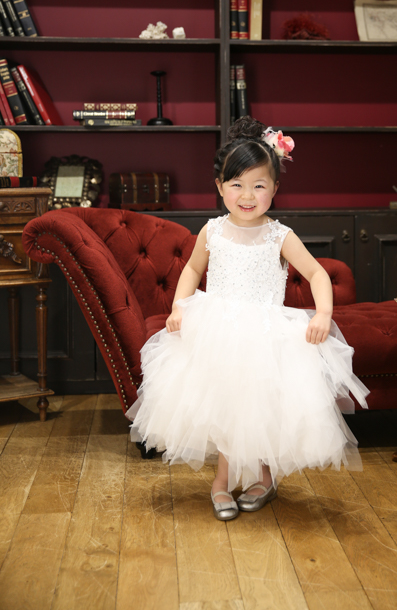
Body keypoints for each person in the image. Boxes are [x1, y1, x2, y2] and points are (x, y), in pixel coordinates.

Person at [126, 116, 369, 520]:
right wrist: (179, 307)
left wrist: (323, 313)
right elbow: (191, 270)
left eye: (259, 185)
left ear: (275, 188)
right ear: (220, 186)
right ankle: (221, 482)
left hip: (266, 335)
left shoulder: (279, 235)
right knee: (225, 407)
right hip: (217, 332)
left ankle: (264, 478)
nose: (247, 195)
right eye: (236, 184)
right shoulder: (212, 231)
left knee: (262, 409)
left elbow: (316, 274)